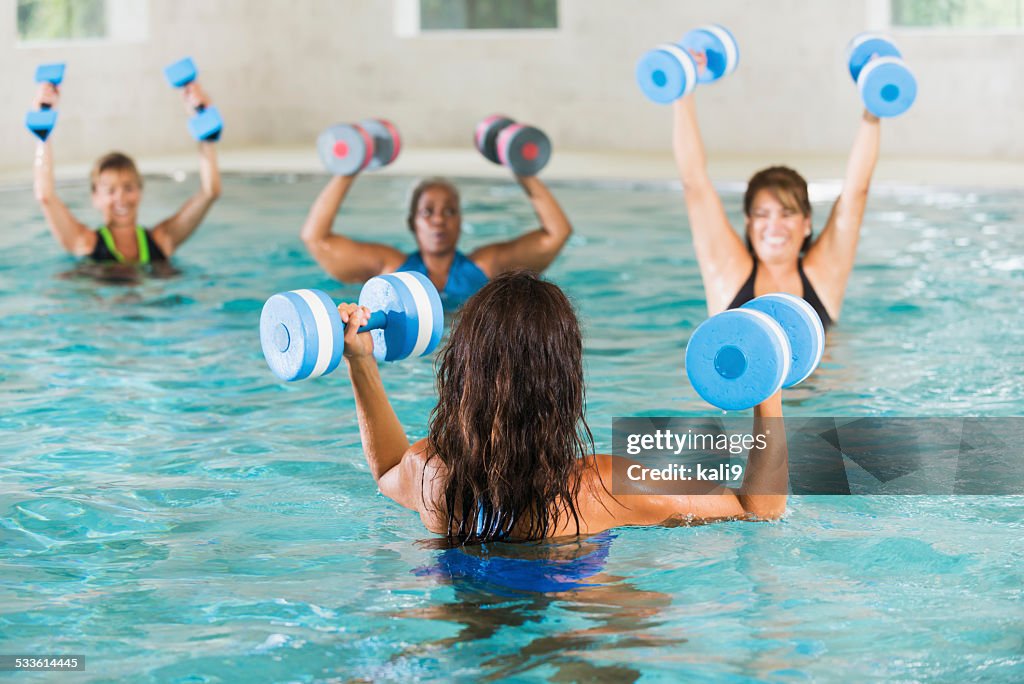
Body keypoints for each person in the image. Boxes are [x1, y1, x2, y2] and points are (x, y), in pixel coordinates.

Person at [336, 270, 788, 545]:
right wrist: (768, 392)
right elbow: (758, 509)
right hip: (571, 629)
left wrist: (361, 362)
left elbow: (386, 472)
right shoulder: (601, 487)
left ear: (461, 370)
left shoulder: (430, 474)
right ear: (563, 384)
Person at [671, 61, 881, 331]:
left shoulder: (823, 276)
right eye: (762, 214)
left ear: (806, 223)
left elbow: (856, 192)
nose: (774, 226)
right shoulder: (729, 274)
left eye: (787, 213)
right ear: (748, 222)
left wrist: (874, 107)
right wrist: (683, 90)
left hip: (824, 376)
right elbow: (694, 185)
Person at [300, 173, 572, 310]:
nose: (439, 220)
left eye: (449, 211)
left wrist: (522, 171)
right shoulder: (391, 268)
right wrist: (347, 171)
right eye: (427, 212)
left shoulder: (487, 267)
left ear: (460, 221)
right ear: (412, 223)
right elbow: (316, 237)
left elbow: (556, 233)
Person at [31, 80, 221, 266]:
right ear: (95, 198)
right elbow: (45, 196)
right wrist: (43, 133)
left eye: (128, 188)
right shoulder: (85, 243)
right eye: (110, 190)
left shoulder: (162, 240)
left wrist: (204, 127)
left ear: (140, 191)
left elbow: (210, 192)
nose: (121, 198)